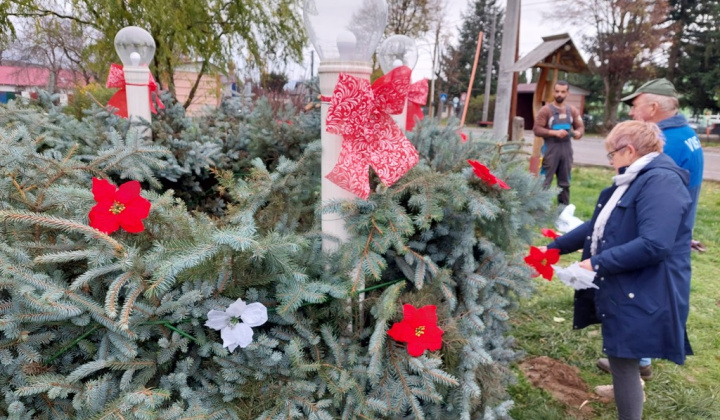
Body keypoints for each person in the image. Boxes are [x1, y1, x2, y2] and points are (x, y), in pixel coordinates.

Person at [544, 121, 693, 420]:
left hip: (647, 285)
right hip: (629, 282)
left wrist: (596, 263)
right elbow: (599, 224)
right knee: (621, 353)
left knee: (624, 356)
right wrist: (555, 248)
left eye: (612, 153)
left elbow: (655, 244)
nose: (610, 160)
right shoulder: (634, 178)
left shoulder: (661, 182)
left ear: (629, 150)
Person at [593, 78, 706, 379]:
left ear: (653, 107)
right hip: (668, 231)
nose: (631, 112)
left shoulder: (666, 143)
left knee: (643, 299)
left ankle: (636, 360)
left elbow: (657, 200)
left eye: (634, 105)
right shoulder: (687, 135)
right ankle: (637, 361)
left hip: (657, 237)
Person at [533, 80, 585, 205]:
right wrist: (554, 133)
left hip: (566, 149)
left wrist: (578, 133)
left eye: (562, 92)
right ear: (553, 92)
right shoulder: (546, 110)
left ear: (568, 93)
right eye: (557, 91)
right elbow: (537, 129)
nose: (559, 94)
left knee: (565, 182)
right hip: (550, 149)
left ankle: (563, 211)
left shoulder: (572, 110)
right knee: (544, 181)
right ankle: (539, 209)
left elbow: (580, 127)